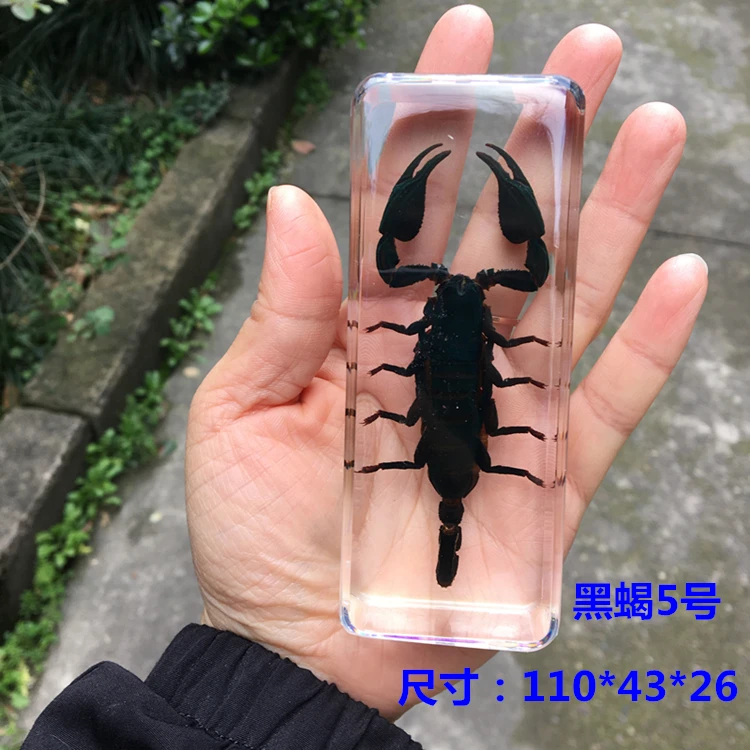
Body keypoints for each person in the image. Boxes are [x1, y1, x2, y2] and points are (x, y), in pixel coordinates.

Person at [22, 5, 707, 748]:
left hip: (445, 428)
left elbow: (410, 320)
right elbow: (509, 334)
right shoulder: (476, 315)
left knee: (448, 406)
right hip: (453, 427)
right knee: (473, 403)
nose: (457, 285)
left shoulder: (431, 314)